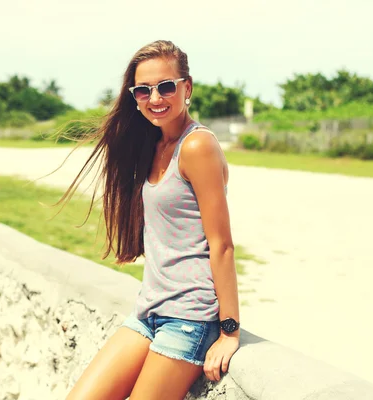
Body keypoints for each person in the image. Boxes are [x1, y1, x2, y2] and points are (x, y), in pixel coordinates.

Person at [61, 40, 240, 400]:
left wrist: (230, 331)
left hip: (189, 317)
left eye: (166, 86)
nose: (155, 97)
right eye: (143, 90)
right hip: (149, 311)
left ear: (186, 88)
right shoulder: (155, 144)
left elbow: (221, 244)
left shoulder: (197, 146)